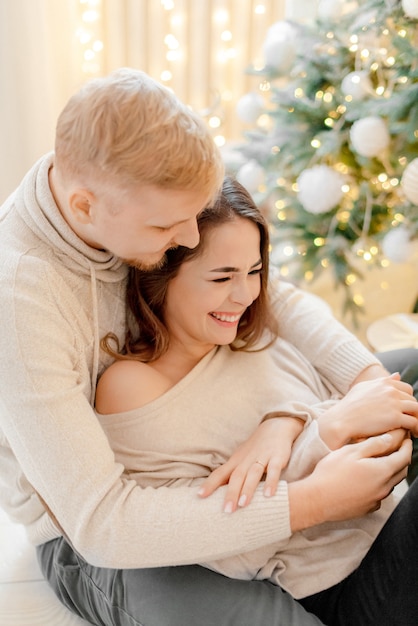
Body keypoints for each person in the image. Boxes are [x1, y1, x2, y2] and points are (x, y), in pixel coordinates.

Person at [0, 67, 415, 626]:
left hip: (209, 440)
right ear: (84, 208)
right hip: (91, 530)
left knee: (398, 376)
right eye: (170, 228)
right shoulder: (22, 302)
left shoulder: (136, 193)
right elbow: (102, 523)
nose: (191, 239)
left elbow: (272, 294)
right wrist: (314, 498)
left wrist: (336, 398)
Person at [95, 176, 418, 625]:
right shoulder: (136, 386)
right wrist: (326, 432)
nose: (244, 294)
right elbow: (221, 553)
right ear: (160, 274)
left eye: (254, 271)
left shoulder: (253, 327)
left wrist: (288, 422)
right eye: (222, 276)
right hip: (346, 583)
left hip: (392, 516)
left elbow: (373, 401)